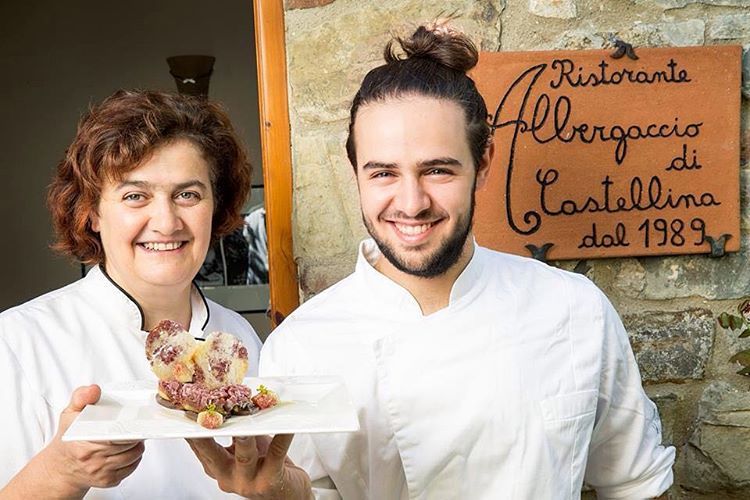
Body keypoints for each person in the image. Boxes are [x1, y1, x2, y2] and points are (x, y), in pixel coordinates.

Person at [258, 23, 676, 499]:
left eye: (437, 170)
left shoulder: (575, 309)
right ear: (356, 171)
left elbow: (637, 486)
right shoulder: (299, 347)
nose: (411, 203)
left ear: (484, 162)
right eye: (383, 173)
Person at [0, 90, 309, 498]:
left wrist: (283, 491)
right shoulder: (18, 340)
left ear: (215, 207)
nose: (165, 222)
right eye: (135, 196)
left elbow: (290, 481)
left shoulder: (237, 338)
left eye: (188, 194)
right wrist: (61, 472)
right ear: (91, 213)